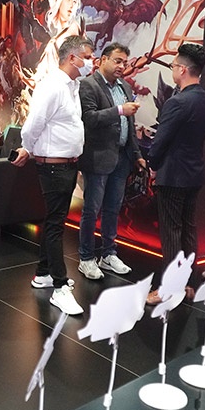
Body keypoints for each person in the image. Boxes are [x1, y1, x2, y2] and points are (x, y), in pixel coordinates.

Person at [12, 35, 95, 315]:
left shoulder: (72, 86)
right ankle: (59, 287)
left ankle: (43, 274)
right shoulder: (53, 86)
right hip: (53, 166)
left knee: (54, 220)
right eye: (87, 57)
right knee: (56, 225)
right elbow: (33, 123)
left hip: (67, 164)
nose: (91, 62)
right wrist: (27, 147)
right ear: (72, 58)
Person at [146, 43, 205, 305]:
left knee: (172, 233)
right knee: (188, 230)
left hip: (173, 175)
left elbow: (161, 141)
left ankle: (169, 289)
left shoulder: (177, 102)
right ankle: (188, 283)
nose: (173, 70)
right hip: (194, 173)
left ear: (183, 70)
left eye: (174, 66)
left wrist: (152, 164)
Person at [77, 42, 146, 280]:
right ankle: (86, 257)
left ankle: (108, 254)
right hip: (97, 158)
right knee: (91, 210)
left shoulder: (124, 86)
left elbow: (130, 125)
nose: (121, 66)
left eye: (124, 62)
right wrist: (119, 110)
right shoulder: (88, 85)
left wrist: (137, 155)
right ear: (103, 60)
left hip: (122, 157)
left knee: (113, 209)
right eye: (117, 61)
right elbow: (89, 118)